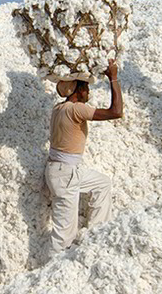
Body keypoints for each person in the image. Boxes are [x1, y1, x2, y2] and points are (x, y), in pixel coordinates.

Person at [45, 60, 123, 254]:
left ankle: (97, 233)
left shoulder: (59, 108)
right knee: (64, 235)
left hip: (65, 171)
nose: (89, 92)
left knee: (102, 183)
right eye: (86, 87)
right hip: (65, 174)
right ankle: (56, 270)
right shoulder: (75, 109)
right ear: (77, 90)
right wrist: (113, 78)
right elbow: (116, 112)